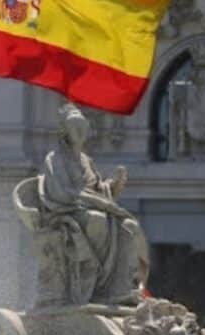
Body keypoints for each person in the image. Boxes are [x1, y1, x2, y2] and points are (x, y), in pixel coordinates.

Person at [31, 103, 149, 305]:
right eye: (74, 127)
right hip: (67, 212)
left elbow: (99, 189)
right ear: (65, 132)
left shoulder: (87, 160)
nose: (80, 132)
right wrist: (93, 200)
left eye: (82, 127)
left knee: (130, 226)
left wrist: (115, 184)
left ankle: (121, 287)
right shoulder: (55, 159)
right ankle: (95, 289)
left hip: (92, 209)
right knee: (97, 221)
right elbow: (62, 192)